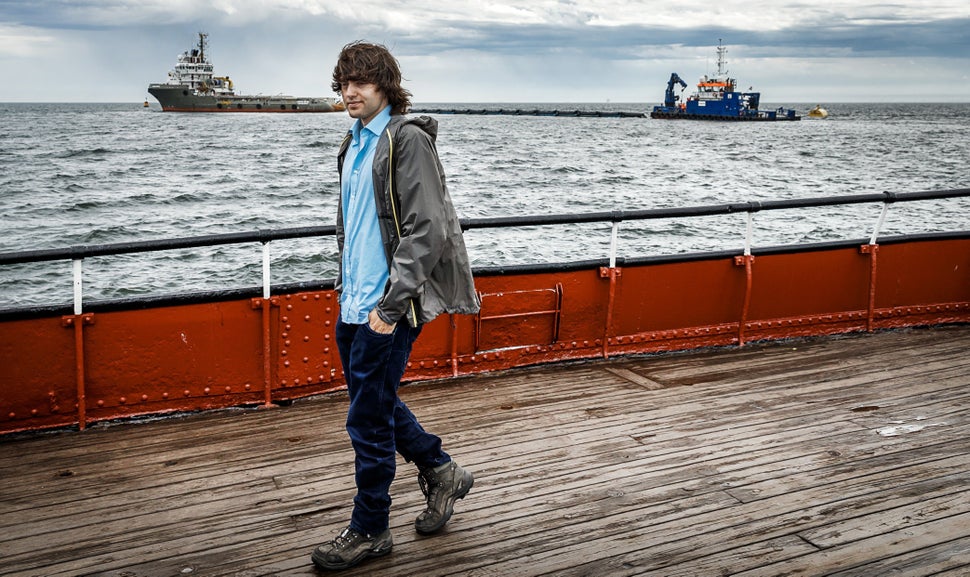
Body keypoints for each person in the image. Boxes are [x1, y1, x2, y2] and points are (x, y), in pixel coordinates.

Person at [311, 41, 481, 572]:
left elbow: (426, 231)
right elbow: (359, 228)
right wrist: (350, 292)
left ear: (386, 84)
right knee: (375, 403)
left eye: (360, 82)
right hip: (354, 303)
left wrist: (389, 306)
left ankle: (371, 527)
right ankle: (440, 469)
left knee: (366, 419)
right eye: (343, 83)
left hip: (387, 308)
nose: (349, 92)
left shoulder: (405, 141)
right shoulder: (353, 143)